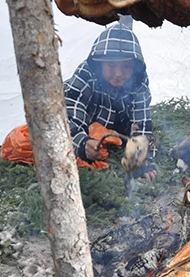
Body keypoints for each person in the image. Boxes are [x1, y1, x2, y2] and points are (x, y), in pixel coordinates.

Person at [64, 23, 157, 179]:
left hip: (117, 129)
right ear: (99, 63)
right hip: (88, 125)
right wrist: (83, 143)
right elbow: (70, 111)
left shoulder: (138, 81)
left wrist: (142, 160)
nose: (119, 73)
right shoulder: (86, 74)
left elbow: (141, 122)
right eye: (111, 65)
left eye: (126, 66)